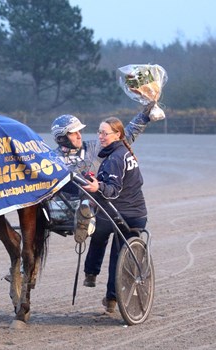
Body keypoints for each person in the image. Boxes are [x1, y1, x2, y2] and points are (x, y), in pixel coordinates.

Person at [50, 104, 153, 245]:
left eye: (79, 131)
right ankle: (84, 216)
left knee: (92, 203)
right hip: (63, 208)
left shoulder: (94, 148)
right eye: (74, 133)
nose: (80, 135)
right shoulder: (51, 159)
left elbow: (124, 136)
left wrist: (144, 116)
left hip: (95, 203)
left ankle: (86, 216)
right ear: (62, 137)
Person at [81, 117, 148, 313]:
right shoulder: (125, 152)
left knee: (99, 232)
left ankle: (91, 272)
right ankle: (111, 299)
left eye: (105, 133)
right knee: (118, 255)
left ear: (117, 134)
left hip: (120, 214)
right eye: (99, 132)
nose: (100, 136)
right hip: (138, 214)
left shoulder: (115, 159)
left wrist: (97, 186)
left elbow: (114, 190)